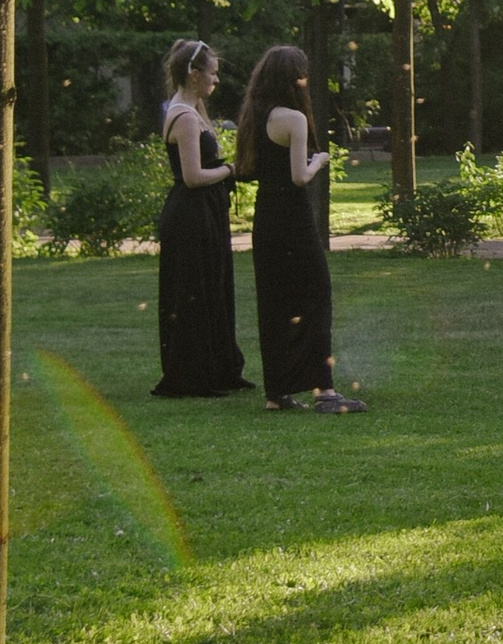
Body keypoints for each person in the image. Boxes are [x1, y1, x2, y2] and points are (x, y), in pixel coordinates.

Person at [235, 43, 361, 415]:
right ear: (296, 79)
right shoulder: (293, 119)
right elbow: (298, 176)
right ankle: (323, 389)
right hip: (293, 219)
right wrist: (320, 160)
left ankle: (278, 393)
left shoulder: (256, 115)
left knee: (274, 302)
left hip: (266, 218)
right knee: (316, 295)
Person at [153, 37, 246, 401]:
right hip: (190, 214)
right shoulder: (185, 117)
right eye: (212, 74)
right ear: (194, 75)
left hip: (204, 212)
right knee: (193, 293)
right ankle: (192, 373)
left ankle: (217, 366)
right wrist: (232, 170)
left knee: (211, 288)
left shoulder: (193, 109)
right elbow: (192, 177)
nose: (215, 81)